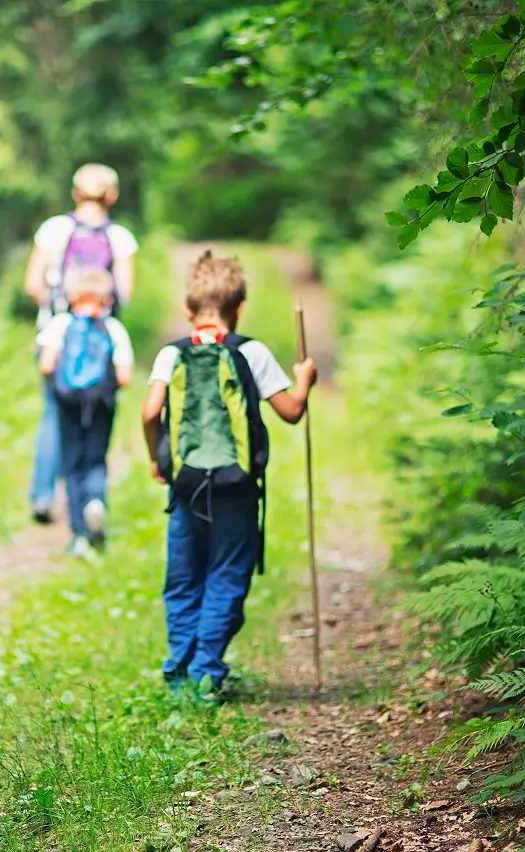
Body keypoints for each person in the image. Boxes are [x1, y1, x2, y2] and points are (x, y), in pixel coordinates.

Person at [141, 251, 316, 696]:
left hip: (185, 485)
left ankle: (180, 673)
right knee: (227, 576)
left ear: (187, 309)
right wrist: (304, 380)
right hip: (238, 488)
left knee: (183, 578)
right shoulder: (251, 352)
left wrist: (157, 459)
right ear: (240, 307)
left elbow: (150, 412)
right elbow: (291, 412)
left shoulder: (170, 355)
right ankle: (206, 672)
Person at [24, 163, 138, 524]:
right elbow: (126, 292)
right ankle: (92, 492)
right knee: (98, 417)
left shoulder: (54, 229)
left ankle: (43, 497)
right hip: (103, 343)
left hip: (56, 335)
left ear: (75, 193)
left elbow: (32, 283)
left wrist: (58, 313)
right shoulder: (120, 237)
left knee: (53, 415)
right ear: (112, 196)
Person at [38, 267, 133, 557]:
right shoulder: (114, 328)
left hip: (68, 406)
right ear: (107, 299)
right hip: (102, 406)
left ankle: (79, 532)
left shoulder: (60, 324)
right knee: (96, 460)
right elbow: (125, 376)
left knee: (72, 463)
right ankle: (96, 505)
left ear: (71, 295)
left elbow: (46, 365)